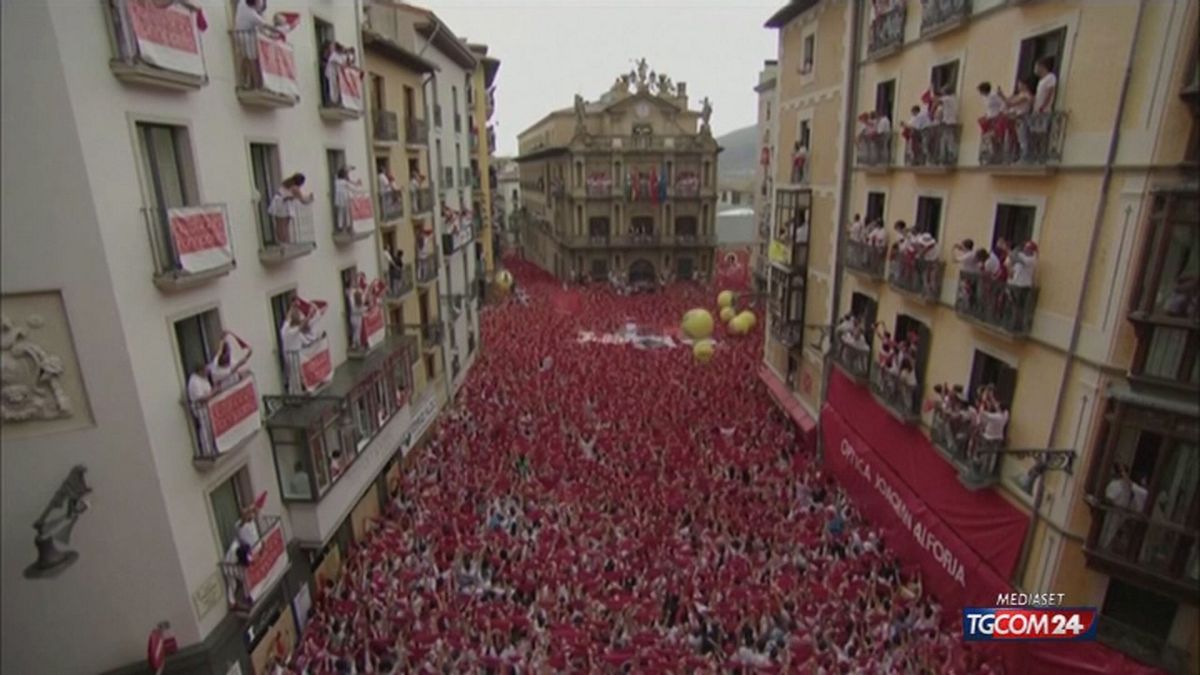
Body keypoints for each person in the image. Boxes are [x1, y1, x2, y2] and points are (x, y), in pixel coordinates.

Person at [234, 0, 279, 90]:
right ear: (255, 4)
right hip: (246, 37)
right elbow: (266, 25)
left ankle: (244, 81)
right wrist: (279, 31)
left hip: (238, 35)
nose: (260, 7)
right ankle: (256, 84)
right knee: (252, 61)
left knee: (244, 59)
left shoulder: (242, 3)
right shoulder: (252, 15)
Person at [267, 173, 314, 245]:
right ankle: (283, 242)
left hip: (278, 202)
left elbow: (288, 195)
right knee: (284, 226)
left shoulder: (287, 183)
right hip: (284, 206)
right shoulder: (295, 188)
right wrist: (310, 198)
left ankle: (280, 241)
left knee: (279, 224)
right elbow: (303, 201)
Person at [334, 166, 362, 233]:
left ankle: (340, 226)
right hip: (344, 198)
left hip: (338, 198)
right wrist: (357, 184)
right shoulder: (344, 182)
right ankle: (348, 226)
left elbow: (340, 173)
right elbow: (352, 188)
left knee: (340, 212)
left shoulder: (336, 181)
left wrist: (349, 169)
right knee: (347, 212)